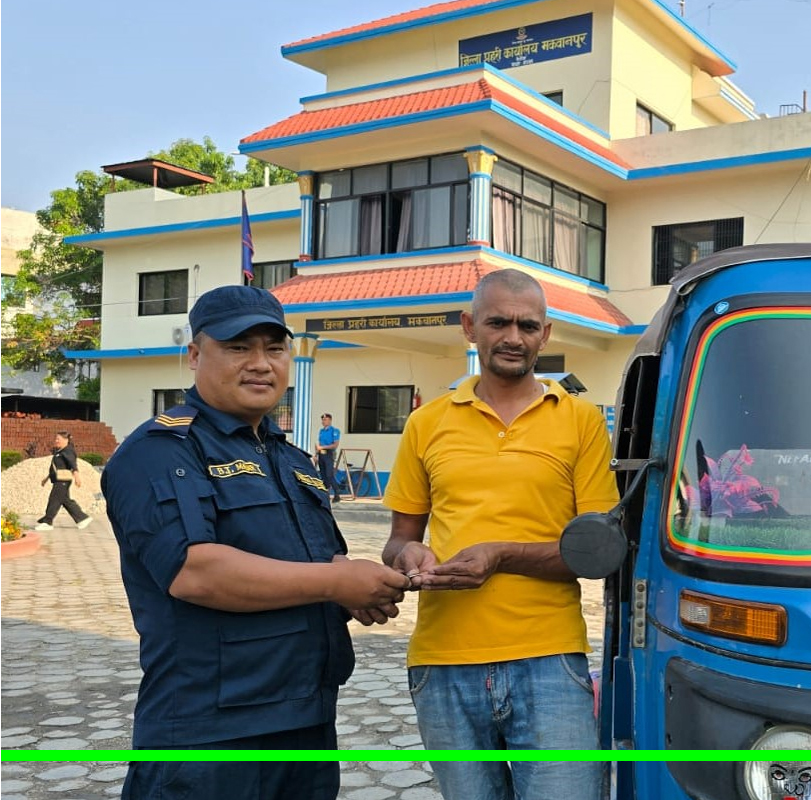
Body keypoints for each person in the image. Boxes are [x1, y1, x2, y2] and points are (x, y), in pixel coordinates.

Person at [102, 285, 412, 800]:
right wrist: (335, 581)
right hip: (211, 734)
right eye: (238, 347)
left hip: (306, 723)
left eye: (274, 348)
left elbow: (312, 565)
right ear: (195, 355)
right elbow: (195, 571)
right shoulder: (161, 451)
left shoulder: (290, 460)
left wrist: (364, 585)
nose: (261, 364)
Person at [381, 268, 619, 800]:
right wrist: (409, 555)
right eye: (498, 323)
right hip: (442, 662)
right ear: (469, 326)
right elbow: (397, 541)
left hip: (549, 658)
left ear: (545, 334)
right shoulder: (426, 423)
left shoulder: (580, 421)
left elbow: (598, 552)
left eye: (527, 325)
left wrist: (502, 555)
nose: (513, 337)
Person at [36, 431, 93, 531]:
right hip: (59, 480)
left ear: (66, 440)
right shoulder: (60, 451)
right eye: (56, 439)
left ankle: (47, 522)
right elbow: (56, 468)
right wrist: (46, 479)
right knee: (66, 501)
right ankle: (82, 518)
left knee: (54, 500)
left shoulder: (68, 451)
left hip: (63, 481)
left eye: (58, 439)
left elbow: (73, 464)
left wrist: (77, 477)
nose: (56, 440)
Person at [315, 413, 342, 502]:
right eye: (322, 420)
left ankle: (337, 493)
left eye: (325, 419)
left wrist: (322, 447)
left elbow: (335, 445)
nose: (323, 421)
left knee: (329, 475)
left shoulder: (334, 431)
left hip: (329, 454)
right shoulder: (321, 431)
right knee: (323, 475)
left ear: (330, 420)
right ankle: (325, 494)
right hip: (321, 454)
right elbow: (319, 444)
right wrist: (316, 454)